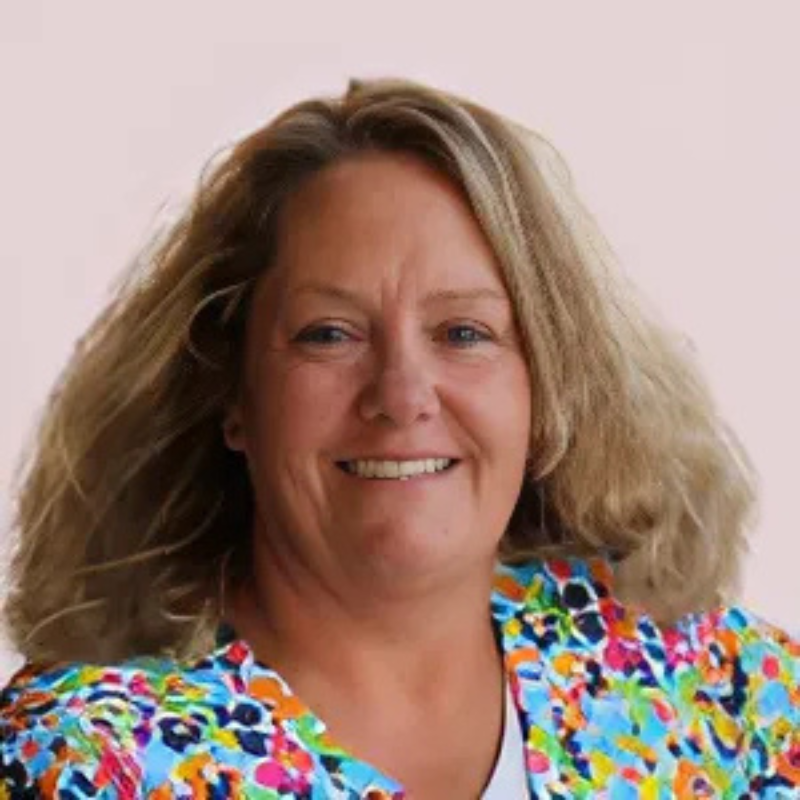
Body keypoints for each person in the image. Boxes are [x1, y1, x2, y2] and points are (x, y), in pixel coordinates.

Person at [0, 76, 797, 799]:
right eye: (329, 334)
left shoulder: (717, 693)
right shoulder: (87, 761)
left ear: (548, 382)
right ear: (230, 390)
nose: (402, 396)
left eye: (463, 332)